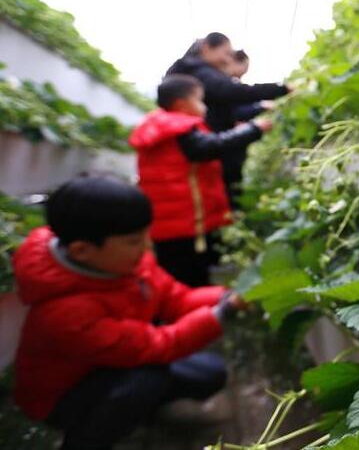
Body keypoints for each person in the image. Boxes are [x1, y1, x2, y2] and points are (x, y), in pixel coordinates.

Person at [12, 176, 246, 450]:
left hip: (117, 363)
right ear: (82, 250)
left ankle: (132, 409)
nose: (147, 245)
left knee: (208, 373)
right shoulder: (66, 311)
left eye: (146, 235)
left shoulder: (125, 264)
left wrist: (223, 296)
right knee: (147, 380)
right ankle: (84, 440)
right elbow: (157, 345)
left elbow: (175, 298)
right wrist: (221, 313)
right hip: (62, 397)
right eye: (135, 241)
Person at [129, 74, 272, 286]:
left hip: (168, 221)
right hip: (183, 222)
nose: (204, 107)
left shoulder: (161, 126)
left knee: (174, 271)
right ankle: (192, 303)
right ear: (181, 104)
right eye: (199, 100)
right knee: (189, 275)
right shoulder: (178, 128)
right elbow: (213, 146)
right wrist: (253, 130)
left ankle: (179, 301)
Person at [166, 33, 290, 204]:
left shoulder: (193, 71)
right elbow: (230, 94)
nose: (227, 59)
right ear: (207, 47)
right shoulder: (198, 72)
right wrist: (278, 91)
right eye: (226, 54)